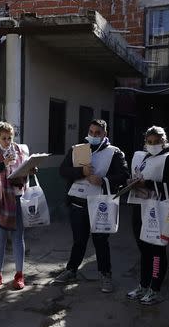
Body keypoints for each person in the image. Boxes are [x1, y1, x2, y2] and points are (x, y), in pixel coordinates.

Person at [53, 119, 129, 293]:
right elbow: (63, 171)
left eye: (98, 133)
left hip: (101, 205)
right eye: (91, 132)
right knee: (78, 240)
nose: (94, 136)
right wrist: (81, 172)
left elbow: (124, 176)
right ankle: (71, 270)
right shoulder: (77, 149)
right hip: (77, 203)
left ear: (105, 134)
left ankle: (105, 274)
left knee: (101, 241)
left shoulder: (114, 153)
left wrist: (103, 181)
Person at [126, 125, 169, 305]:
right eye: (149, 142)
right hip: (140, 208)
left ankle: (155, 288)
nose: (152, 145)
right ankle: (143, 285)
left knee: (157, 251)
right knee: (144, 250)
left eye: (157, 141)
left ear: (164, 141)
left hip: (158, 211)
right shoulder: (143, 157)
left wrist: (146, 184)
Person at [0, 121, 32, 290]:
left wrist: (30, 171)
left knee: (18, 238)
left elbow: (23, 173)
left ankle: (19, 274)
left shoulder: (19, 150)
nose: (8, 142)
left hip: (16, 198)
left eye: (10, 138)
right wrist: (4, 164)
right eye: (4, 138)